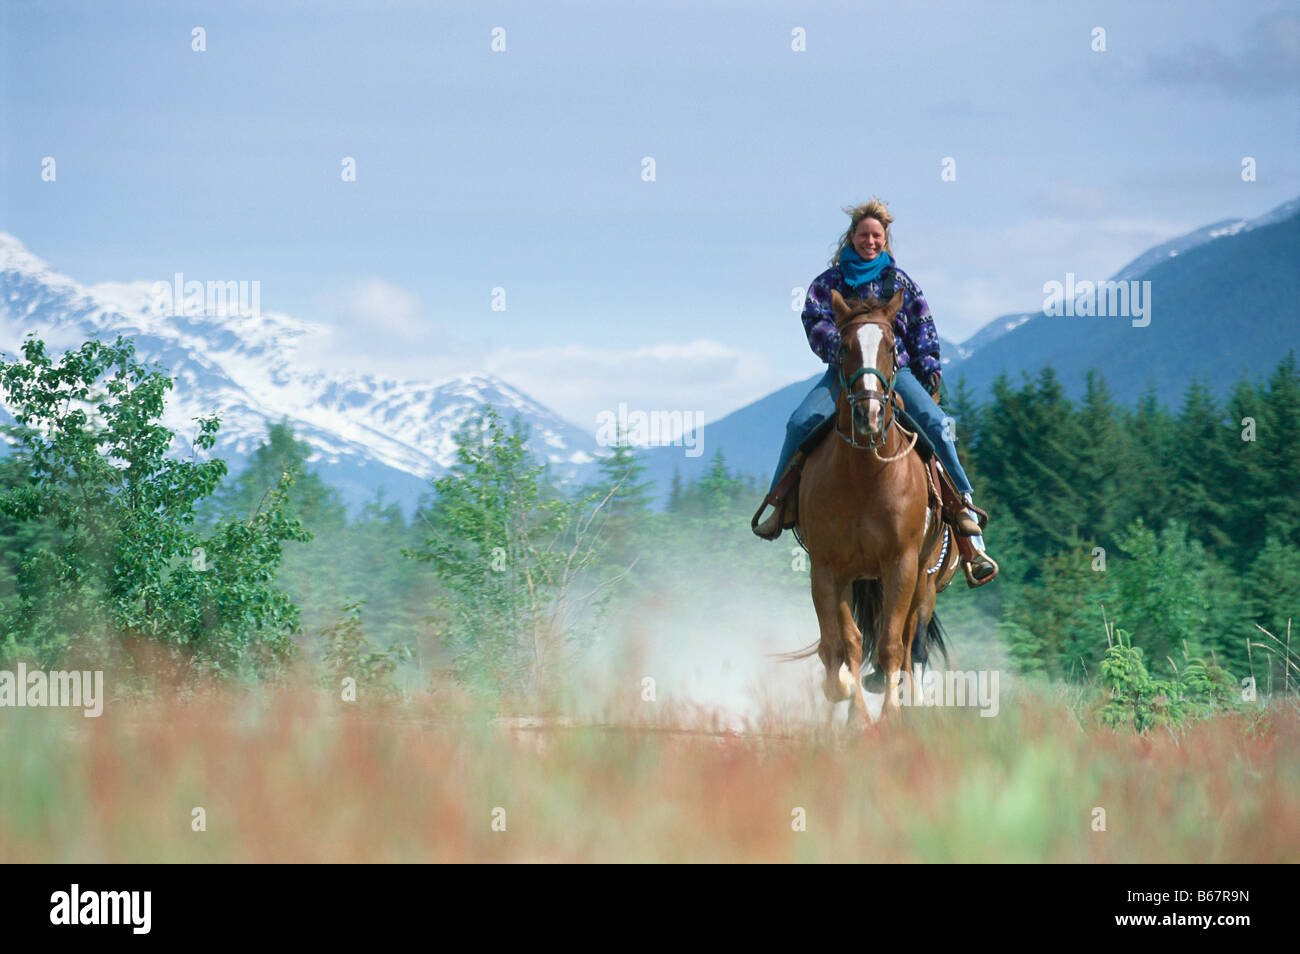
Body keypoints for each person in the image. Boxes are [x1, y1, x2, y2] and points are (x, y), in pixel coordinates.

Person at [751, 198, 998, 587]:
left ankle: (965, 514)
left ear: (885, 240)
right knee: (801, 421)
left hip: (891, 375)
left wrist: (929, 367)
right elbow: (813, 320)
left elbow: (923, 328)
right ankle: (778, 504)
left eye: (876, 235)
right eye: (864, 234)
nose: (870, 241)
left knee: (936, 422)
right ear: (852, 237)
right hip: (845, 373)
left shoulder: (901, 284)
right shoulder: (827, 284)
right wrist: (840, 349)